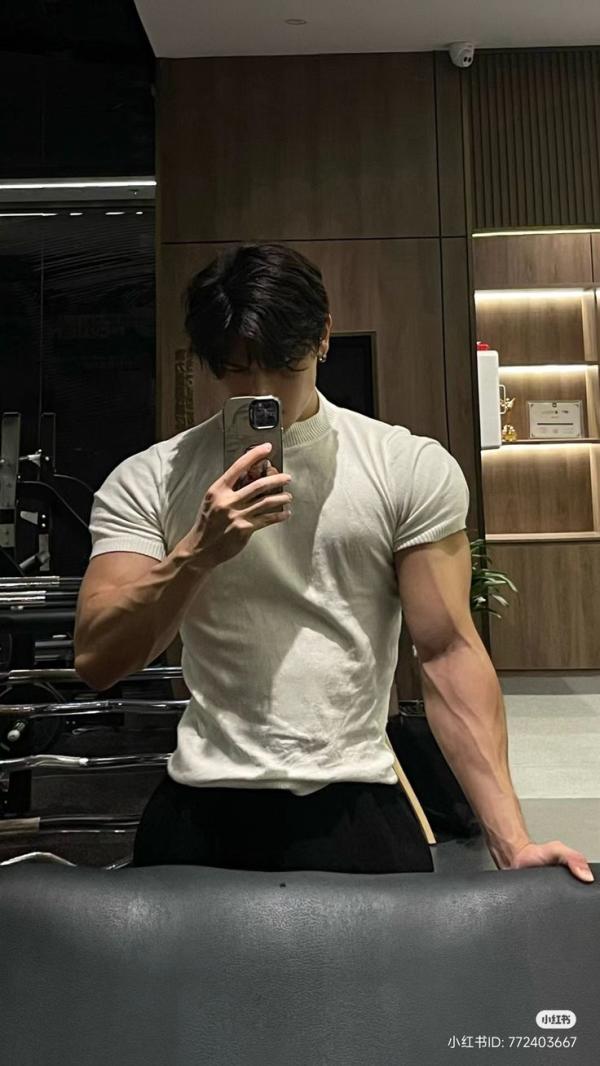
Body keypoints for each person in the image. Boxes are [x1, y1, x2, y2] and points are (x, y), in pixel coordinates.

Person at [74, 242, 594, 883]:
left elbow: (446, 652)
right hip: (202, 803)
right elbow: (98, 659)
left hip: (356, 798)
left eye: (282, 365)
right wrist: (196, 555)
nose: (262, 391)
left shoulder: (405, 467)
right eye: (238, 370)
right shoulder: (150, 478)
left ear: (322, 338)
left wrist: (512, 843)